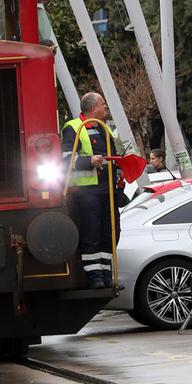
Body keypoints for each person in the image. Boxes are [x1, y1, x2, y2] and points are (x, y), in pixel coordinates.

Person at [61, 92, 127, 289]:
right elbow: (64, 159)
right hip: (86, 192)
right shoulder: (73, 128)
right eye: (102, 104)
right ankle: (94, 278)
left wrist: (121, 170)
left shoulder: (103, 129)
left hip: (108, 191)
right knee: (92, 235)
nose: (105, 107)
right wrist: (89, 161)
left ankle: (106, 275)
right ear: (92, 108)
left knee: (111, 234)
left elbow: (111, 159)